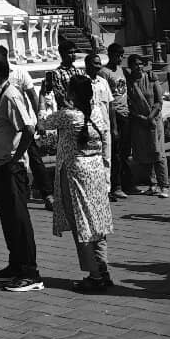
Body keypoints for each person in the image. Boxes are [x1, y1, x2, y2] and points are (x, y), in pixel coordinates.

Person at [40, 75, 113, 290]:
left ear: (72, 93)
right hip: (96, 170)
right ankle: (103, 268)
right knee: (97, 223)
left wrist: (44, 97)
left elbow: (43, 122)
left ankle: (94, 276)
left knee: (81, 223)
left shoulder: (68, 116)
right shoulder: (98, 111)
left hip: (75, 173)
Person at [0, 53, 43, 292]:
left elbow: (28, 128)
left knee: (19, 219)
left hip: (10, 166)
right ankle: (15, 264)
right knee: (8, 219)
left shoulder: (11, 94)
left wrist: (16, 158)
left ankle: (30, 271)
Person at [0, 44, 53, 207]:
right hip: (6, 127)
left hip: (23, 123)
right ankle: (5, 196)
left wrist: (39, 119)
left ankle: (47, 194)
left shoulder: (19, 73)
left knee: (34, 159)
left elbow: (32, 95)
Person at [125, 54, 168, 196]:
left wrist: (150, 117)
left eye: (140, 64)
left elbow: (159, 101)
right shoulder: (129, 82)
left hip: (154, 120)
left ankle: (164, 186)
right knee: (145, 154)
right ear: (130, 66)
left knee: (158, 153)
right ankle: (152, 184)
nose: (139, 66)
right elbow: (129, 104)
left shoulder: (150, 78)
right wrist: (140, 118)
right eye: (135, 64)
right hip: (139, 121)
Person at [101, 42, 132, 198]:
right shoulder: (104, 72)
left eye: (121, 55)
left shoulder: (120, 70)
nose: (120, 58)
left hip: (125, 113)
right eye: (118, 55)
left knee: (125, 151)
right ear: (110, 55)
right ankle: (116, 185)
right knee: (115, 152)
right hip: (115, 114)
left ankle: (127, 183)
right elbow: (108, 99)